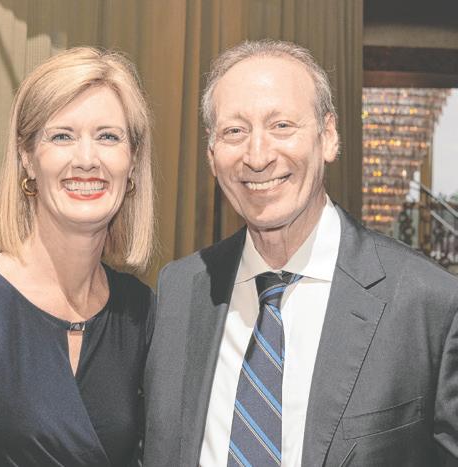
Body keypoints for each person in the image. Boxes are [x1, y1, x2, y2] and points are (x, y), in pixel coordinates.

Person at [143, 40, 458, 466]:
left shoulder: (428, 304)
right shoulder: (180, 291)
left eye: (282, 125)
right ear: (212, 156)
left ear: (328, 137)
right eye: (235, 131)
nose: (257, 156)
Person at [0, 47, 155, 466]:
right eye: (62, 136)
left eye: (108, 137)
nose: (86, 159)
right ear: (27, 157)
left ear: (132, 160)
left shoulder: (140, 314)